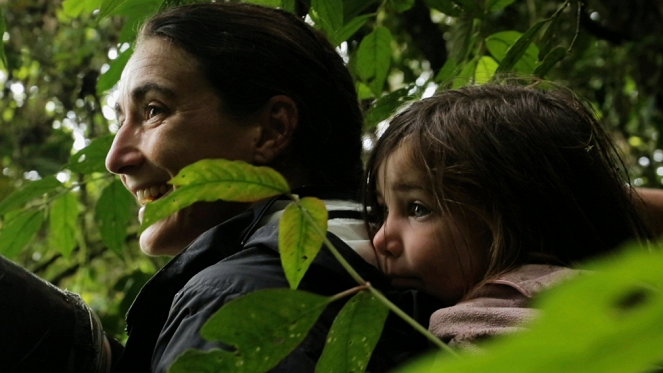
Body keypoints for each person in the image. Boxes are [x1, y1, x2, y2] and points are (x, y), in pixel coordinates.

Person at [103, 2, 435, 373]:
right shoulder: (431, 271)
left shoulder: (236, 299)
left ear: (272, 130)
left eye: (153, 110)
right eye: (119, 121)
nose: (115, 159)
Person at [362, 83, 656, 350]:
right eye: (384, 210)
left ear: (514, 217)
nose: (380, 239)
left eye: (417, 208)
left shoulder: (486, 328)